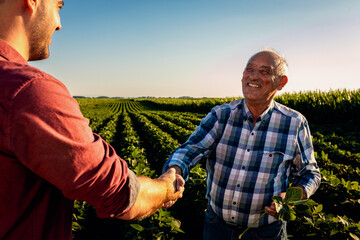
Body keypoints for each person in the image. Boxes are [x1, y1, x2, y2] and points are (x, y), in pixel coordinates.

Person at [0, 0, 184, 239]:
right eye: (58, 6)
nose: (59, 25)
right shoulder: (28, 91)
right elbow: (124, 195)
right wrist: (167, 187)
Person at [163, 49, 321, 239]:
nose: (253, 76)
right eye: (249, 69)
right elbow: (189, 150)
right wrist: (172, 172)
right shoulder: (221, 115)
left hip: (267, 232)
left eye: (264, 71)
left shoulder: (294, 123)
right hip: (216, 228)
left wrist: (292, 196)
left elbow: (309, 173)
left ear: (281, 82)